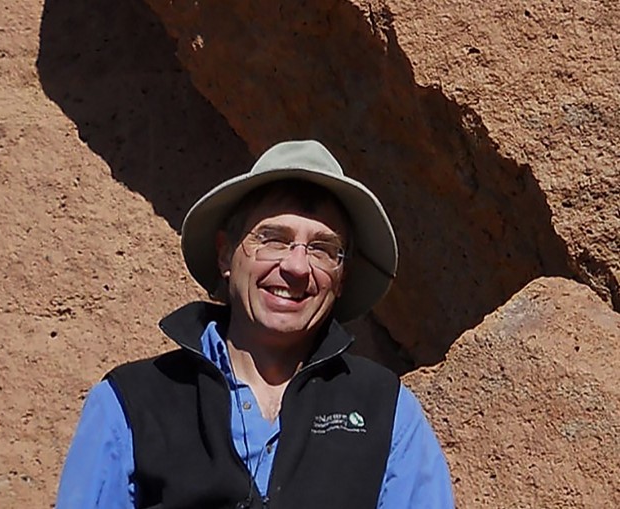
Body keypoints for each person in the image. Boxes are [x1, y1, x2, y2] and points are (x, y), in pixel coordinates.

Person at [56, 140, 454, 509]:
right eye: (273, 239)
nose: (297, 267)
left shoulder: (387, 410)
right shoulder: (129, 402)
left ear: (342, 276)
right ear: (226, 255)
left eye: (322, 248)